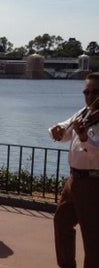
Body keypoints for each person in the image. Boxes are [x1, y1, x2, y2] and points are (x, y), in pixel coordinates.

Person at [50, 72, 99, 268]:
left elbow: (95, 153)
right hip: (74, 180)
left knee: (92, 236)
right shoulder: (83, 113)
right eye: (86, 91)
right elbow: (66, 129)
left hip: (93, 182)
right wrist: (57, 129)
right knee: (61, 222)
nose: (90, 96)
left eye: (95, 92)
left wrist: (85, 137)